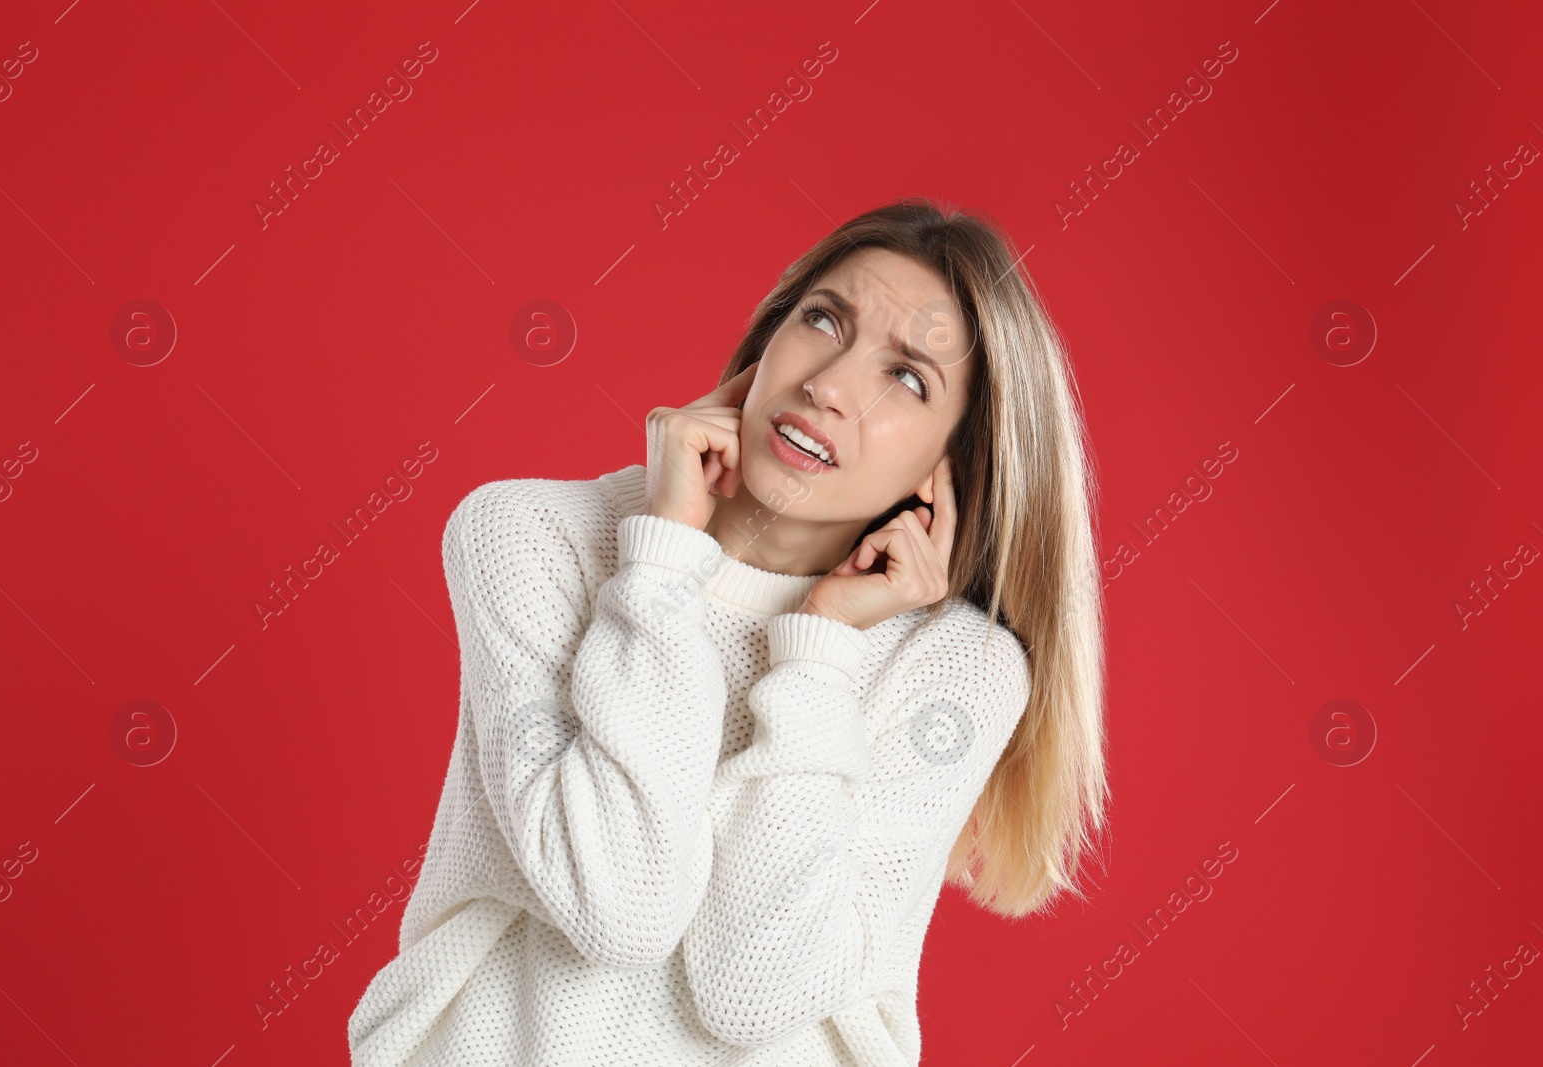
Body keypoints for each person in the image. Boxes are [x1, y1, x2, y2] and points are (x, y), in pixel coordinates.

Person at [347, 197, 1109, 1065]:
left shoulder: (958, 666)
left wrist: (821, 650)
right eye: (823, 320)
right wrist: (663, 564)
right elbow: (622, 907)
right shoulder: (529, 537)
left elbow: (754, 986)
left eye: (907, 376)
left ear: (955, 465)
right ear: (766, 340)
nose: (829, 384)